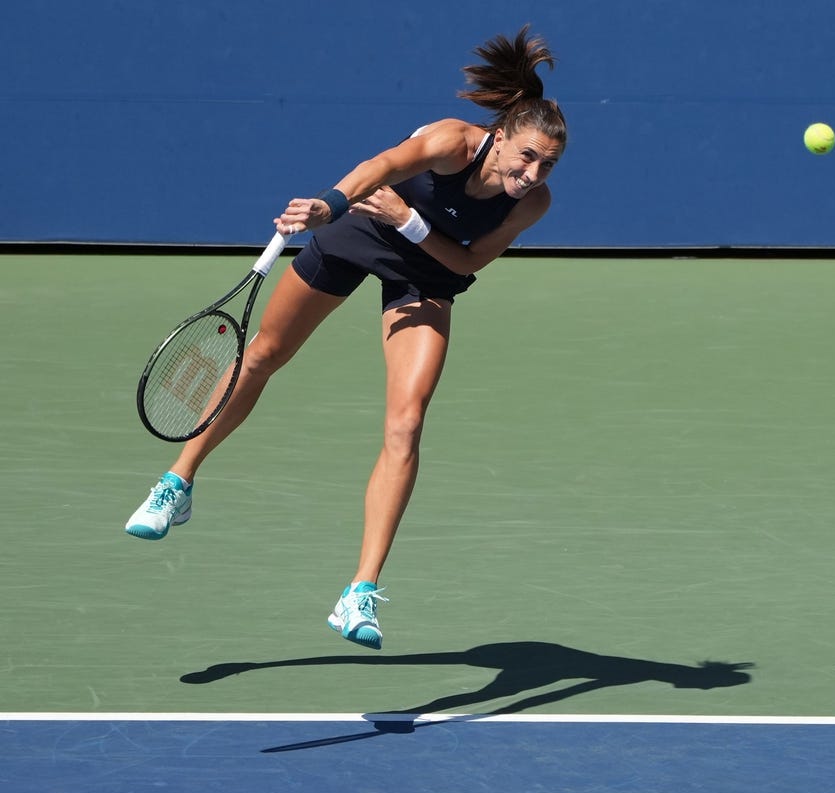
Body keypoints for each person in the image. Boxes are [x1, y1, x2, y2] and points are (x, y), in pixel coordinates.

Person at [124, 26, 567, 650]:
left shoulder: (533, 203)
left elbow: (466, 264)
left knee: (406, 423)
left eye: (548, 163)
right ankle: (178, 482)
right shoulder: (448, 141)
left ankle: (359, 591)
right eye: (526, 156)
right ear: (500, 138)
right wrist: (331, 206)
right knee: (263, 356)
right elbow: (380, 168)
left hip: (426, 267)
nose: (533, 171)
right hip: (357, 231)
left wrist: (409, 222)